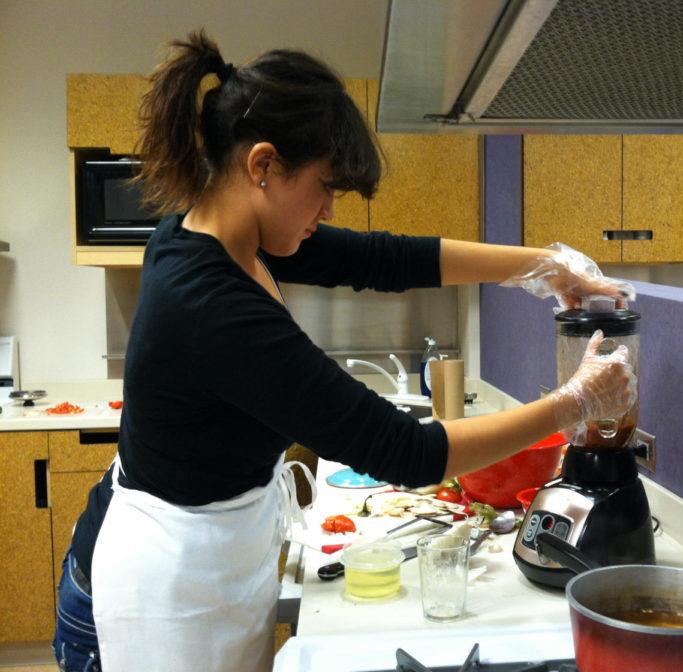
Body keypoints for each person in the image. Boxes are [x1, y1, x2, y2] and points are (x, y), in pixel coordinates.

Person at [53, 30, 637, 672]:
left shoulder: (229, 235)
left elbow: (386, 258)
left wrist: (546, 266)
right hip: (162, 586)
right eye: (325, 185)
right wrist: (573, 402)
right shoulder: (210, 304)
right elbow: (407, 451)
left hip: (213, 559)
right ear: (263, 166)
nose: (329, 208)